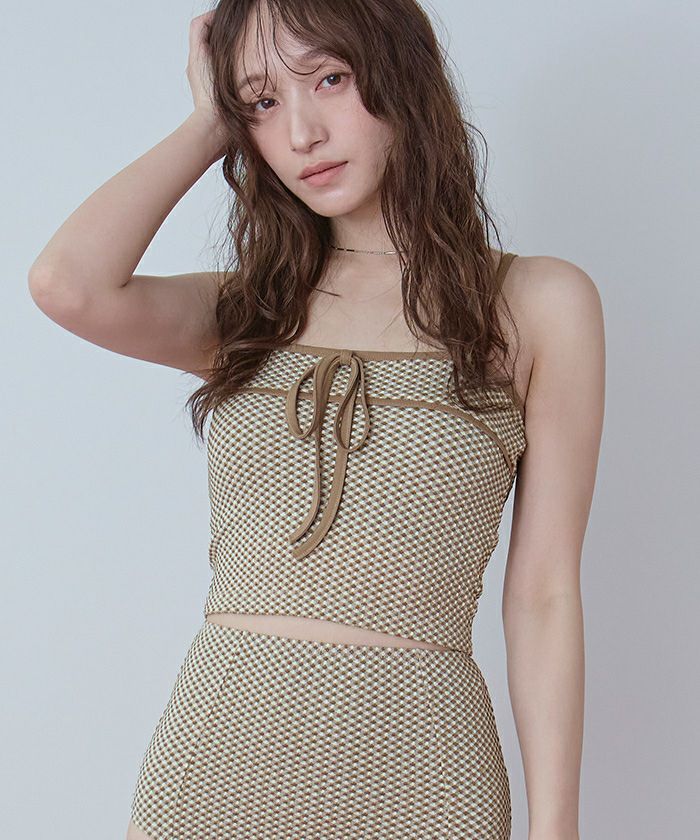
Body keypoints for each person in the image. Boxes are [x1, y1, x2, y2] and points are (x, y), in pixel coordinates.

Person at [29, 1, 604, 838]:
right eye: (262, 102)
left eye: (329, 78)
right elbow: (67, 286)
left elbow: (544, 592)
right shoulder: (249, 311)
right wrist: (207, 123)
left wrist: (558, 830)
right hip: (216, 767)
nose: (301, 133)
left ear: (402, 71)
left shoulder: (535, 305)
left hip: (424, 775)